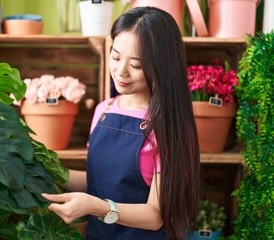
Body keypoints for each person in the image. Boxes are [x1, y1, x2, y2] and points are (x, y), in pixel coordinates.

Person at [42, 6, 200, 240]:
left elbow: (155, 215)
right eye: (116, 56)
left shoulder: (168, 126)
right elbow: (100, 179)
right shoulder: (103, 110)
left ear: (162, 65)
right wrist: (44, 168)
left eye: (136, 65)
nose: (121, 71)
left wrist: (95, 207)